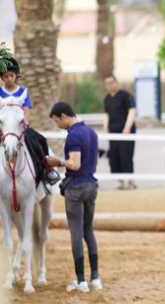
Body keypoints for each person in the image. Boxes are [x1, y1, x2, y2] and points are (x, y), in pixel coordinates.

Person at [46, 102, 102, 293]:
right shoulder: (91, 133)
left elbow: (75, 164)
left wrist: (58, 161)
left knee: (76, 233)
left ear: (63, 116)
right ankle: (95, 277)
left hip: (76, 188)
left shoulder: (74, 135)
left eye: (56, 121)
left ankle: (81, 281)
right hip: (91, 186)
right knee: (88, 231)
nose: (57, 125)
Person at [0, 57, 60, 193]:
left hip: (19, 127)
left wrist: (25, 121)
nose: (9, 78)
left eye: (11, 75)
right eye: (5, 76)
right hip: (3, 128)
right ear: (2, 77)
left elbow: (26, 109)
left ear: (16, 76)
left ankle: (48, 172)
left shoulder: (23, 92)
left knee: (40, 141)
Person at [103, 75, 137, 190]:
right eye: (107, 83)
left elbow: (132, 111)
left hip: (126, 132)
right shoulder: (107, 98)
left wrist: (127, 128)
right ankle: (122, 181)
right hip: (113, 133)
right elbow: (106, 114)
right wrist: (105, 128)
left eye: (112, 82)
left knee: (126, 155)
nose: (110, 85)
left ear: (116, 82)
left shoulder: (126, 96)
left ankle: (129, 181)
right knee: (114, 157)